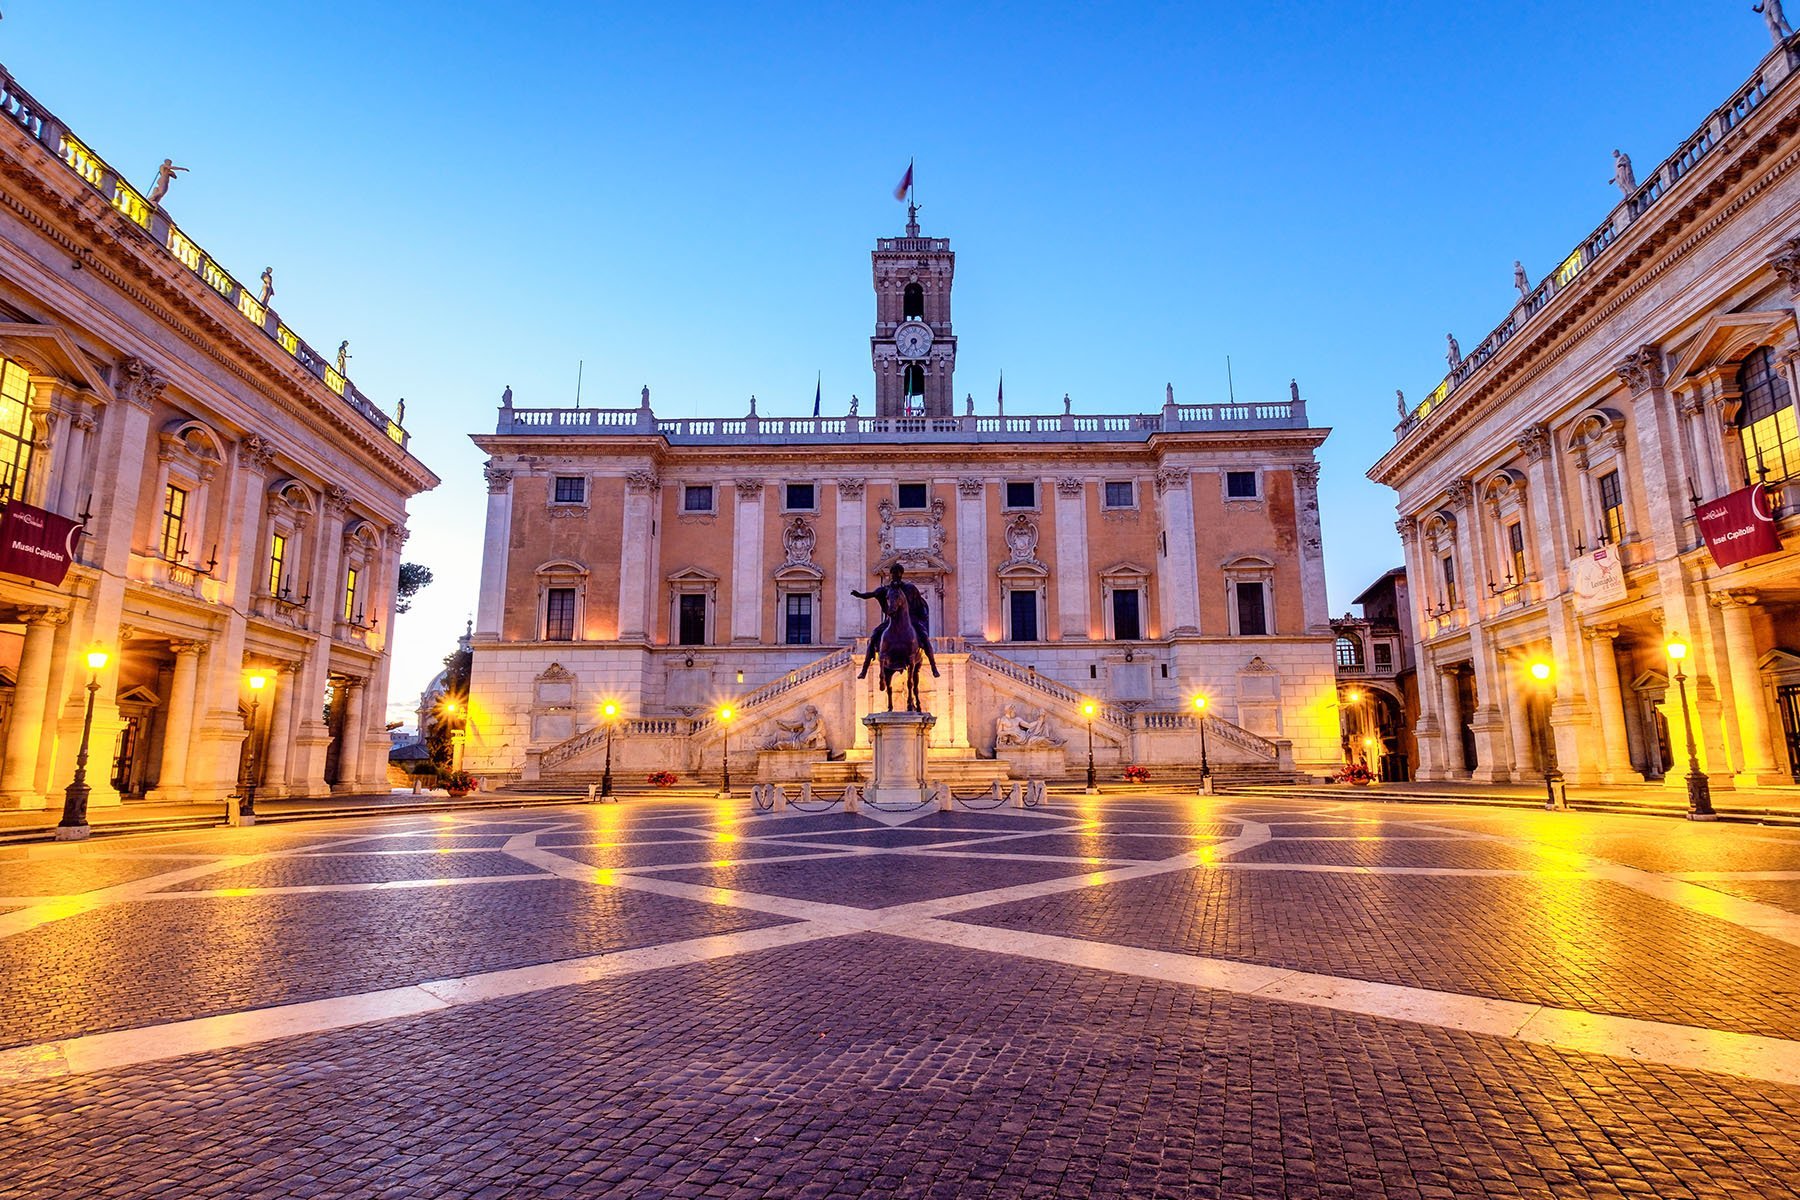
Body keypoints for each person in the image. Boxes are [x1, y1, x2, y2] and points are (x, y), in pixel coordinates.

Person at [851, 563, 939, 678]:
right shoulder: (886, 590)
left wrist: (922, 616)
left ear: (901, 574)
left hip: (911, 620)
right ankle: (864, 669)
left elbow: (919, 603)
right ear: (891, 575)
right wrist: (860, 595)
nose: (895, 576)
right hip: (890, 620)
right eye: (893, 574)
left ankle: (933, 666)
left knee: (924, 637)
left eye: (897, 574)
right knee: (874, 637)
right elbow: (871, 594)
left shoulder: (910, 588)